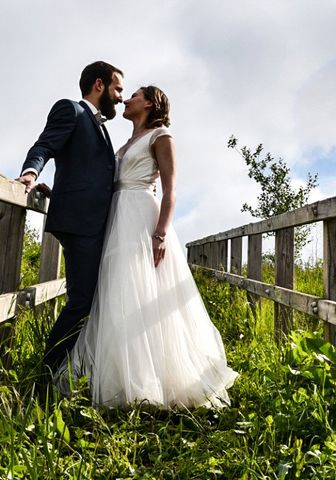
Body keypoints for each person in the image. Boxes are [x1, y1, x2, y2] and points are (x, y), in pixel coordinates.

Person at [65, 86, 238, 408]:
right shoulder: (125, 144)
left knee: (143, 290)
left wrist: (159, 234)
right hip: (116, 216)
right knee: (116, 290)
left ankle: (157, 380)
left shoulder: (161, 137)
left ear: (149, 103)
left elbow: (171, 191)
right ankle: (119, 374)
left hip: (141, 217)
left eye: (133, 95)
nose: (126, 99)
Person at [17, 61, 124, 374]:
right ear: (99, 84)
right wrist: (30, 172)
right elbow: (45, 145)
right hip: (80, 223)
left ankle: (74, 367)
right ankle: (48, 371)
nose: (120, 96)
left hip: (94, 222)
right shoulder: (72, 110)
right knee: (81, 301)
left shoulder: (100, 126)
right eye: (117, 88)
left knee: (87, 298)